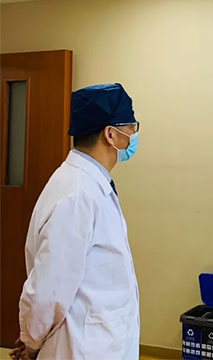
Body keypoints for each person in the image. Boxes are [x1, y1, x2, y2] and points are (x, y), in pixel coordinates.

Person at [10, 83, 141, 360]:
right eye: (131, 127)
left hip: (100, 339)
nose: (133, 135)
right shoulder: (77, 194)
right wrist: (31, 343)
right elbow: (49, 288)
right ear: (110, 134)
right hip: (81, 347)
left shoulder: (88, 183)